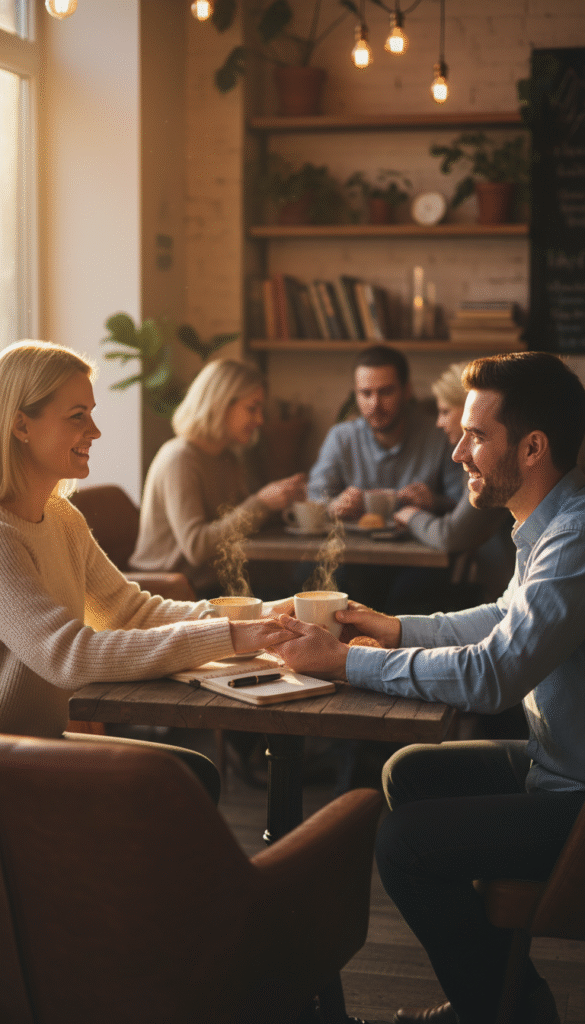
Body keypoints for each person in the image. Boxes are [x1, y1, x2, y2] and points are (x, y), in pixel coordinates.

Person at [267, 351, 585, 1024]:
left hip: (577, 796)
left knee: (404, 842)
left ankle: (505, 1009)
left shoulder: (576, 537)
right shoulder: (551, 526)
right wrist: (391, 627)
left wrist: (344, 662)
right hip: (558, 767)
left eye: (475, 436)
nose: (457, 451)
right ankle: (504, 999)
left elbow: (494, 671)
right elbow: (502, 617)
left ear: (531, 448)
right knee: (409, 773)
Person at [0, 341, 291, 803]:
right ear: (20, 425)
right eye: (78, 415)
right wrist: (231, 638)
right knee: (182, 782)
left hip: (42, 742)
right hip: (11, 755)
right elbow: (67, 655)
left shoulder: (62, 517)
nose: (94, 430)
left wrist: (258, 615)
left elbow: (129, 609)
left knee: (192, 772)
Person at [306, 345, 464, 614]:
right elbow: (314, 498)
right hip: (355, 557)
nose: (375, 404)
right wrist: (334, 506)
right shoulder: (342, 437)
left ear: (407, 391)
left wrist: (434, 502)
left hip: (419, 558)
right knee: (329, 581)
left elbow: (462, 504)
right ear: (355, 394)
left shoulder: (438, 433)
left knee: (413, 597)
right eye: (365, 394)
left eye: (386, 392)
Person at [129, 358, 306, 598]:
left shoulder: (226, 458)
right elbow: (197, 547)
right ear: (221, 404)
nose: (260, 420)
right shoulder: (179, 459)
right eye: (252, 408)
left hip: (212, 586)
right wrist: (262, 502)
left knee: (302, 586)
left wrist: (282, 502)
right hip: (171, 591)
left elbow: (238, 525)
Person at [394, 362, 516, 605]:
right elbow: (476, 515)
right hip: (497, 590)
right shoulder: (473, 457)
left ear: (471, 407)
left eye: (445, 411)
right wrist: (435, 502)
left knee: (408, 593)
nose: (439, 423)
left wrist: (411, 515)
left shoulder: (493, 462)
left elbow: (452, 535)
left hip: (501, 596)